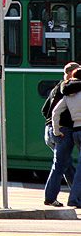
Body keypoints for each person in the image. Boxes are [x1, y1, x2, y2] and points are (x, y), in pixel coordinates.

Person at [43, 62, 81, 206]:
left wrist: (52, 126)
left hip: (50, 129)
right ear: (72, 73)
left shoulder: (56, 88)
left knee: (66, 165)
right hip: (63, 130)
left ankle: (75, 195)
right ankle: (51, 197)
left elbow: (45, 110)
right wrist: (58, 128)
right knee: (60, 165)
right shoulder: (67, 87)